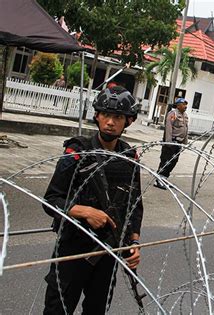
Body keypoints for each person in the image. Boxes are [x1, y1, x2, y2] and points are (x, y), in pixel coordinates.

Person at [42, 86, 143, 314]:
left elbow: (134, 205)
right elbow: (51, 199)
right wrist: (84, 211)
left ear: (128, 121)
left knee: (97, 309)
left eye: (117, 117)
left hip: (108, 249)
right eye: (105, 114)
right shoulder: (77, 151)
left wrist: (135, 242)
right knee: (58, 308)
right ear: (96, 115)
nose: (110, 122)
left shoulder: (129, 157)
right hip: (73, 248)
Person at [154, 97, 189, 190]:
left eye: (186, 104)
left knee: (173, 161)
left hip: (179, 142)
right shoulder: (173, 114)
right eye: (183, 104)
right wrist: (168, 142)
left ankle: (164, 179)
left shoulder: (185, 115)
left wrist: (185, 142)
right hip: (172, 142)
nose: (185, 106)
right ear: (178, 105)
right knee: (166, 161)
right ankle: (158, 180)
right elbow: (168, 128)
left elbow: (186, 129)